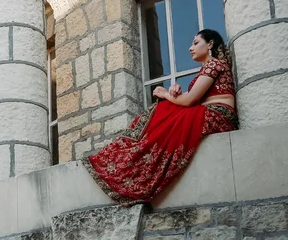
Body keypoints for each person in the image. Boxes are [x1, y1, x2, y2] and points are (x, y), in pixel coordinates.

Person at [83, 29, 238, 206]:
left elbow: (189, 100)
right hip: (211, 112)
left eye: (195, 43)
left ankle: (133, 153)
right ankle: (134, 152)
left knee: (164, 111)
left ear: (210, 44)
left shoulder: (214, 65)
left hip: (218, 115)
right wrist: (175, 91)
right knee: (166, 110)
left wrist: (166, 93)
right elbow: (190, 98)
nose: (190, 48)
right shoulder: (207, 68)